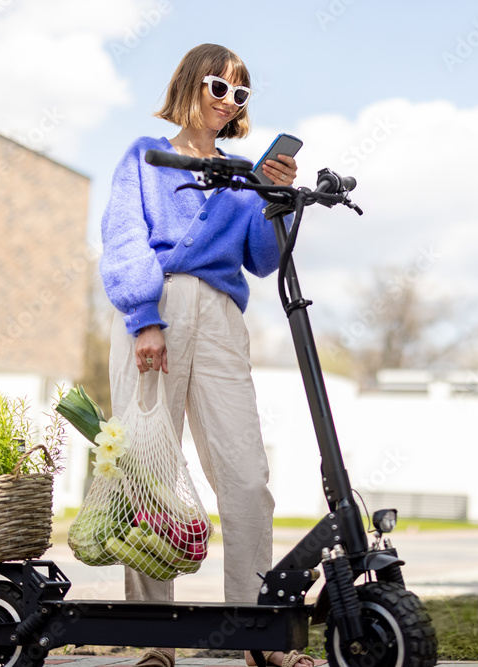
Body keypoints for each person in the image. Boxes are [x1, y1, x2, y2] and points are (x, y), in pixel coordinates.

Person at [99, 44, 313, 667]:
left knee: (246, 475)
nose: (229, 101)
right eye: (220, 86)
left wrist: (274, 199)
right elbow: (123, 238)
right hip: (154, 308)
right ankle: (152, 644)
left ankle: (258, 638)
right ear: (192, 83)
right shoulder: (144, 156)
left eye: (241, 95)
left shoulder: (245, 173)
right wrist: (145, 319)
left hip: (220, 317)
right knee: (148, 475)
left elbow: (262, 259)